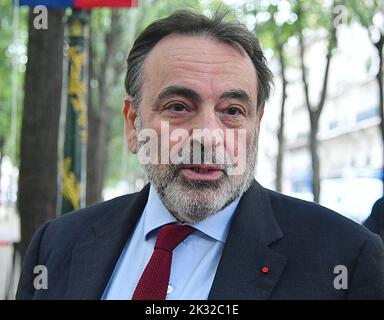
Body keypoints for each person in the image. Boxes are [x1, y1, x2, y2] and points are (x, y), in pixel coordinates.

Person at [17, 11, 384, 300]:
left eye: (232, 111)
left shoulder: (346, 259)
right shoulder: (56, 245)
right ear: (133, 124)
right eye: (178, 106)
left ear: (257, 123)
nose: (208, 136)